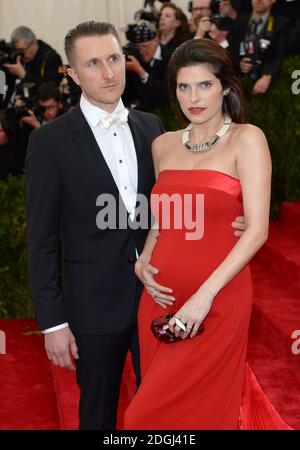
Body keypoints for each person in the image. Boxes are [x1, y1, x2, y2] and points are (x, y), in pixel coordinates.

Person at [25, 22, 246, 430]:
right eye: (93, 63)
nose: (108, 73)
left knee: (166, 411)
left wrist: (233, 218)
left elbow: (176, 207)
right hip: (92, 307)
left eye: (113, 59)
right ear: (73, 74)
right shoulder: (50, 142)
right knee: (98, 414)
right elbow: (39, 241)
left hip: (161, 297)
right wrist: (53, 322)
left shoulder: (154, 130)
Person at [123, 38, 290, 430]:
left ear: (225, 88)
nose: (192, 97)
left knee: (144, 417)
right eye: (183, 87)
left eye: (204, 85)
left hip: (216, 302)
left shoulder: (247, 139)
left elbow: (257, 230)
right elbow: (162, 219)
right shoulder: (162, 145)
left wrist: (203, 298)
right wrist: (143, 260)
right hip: (159, 300)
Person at [231, 0, 290, 95]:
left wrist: (268, 76)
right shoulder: (240, 21)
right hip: (238, 82)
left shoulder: (281, 24)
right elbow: (232, 49)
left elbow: (280, 54)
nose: (258, 0)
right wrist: (238, 63)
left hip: (266, 85)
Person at [3, 26, 63, 108]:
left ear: (34, 43)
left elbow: (51, 91)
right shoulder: (18, 57)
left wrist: (23, 75)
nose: (21, 54)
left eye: (23, 50)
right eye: (17, 51)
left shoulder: (51, 58)